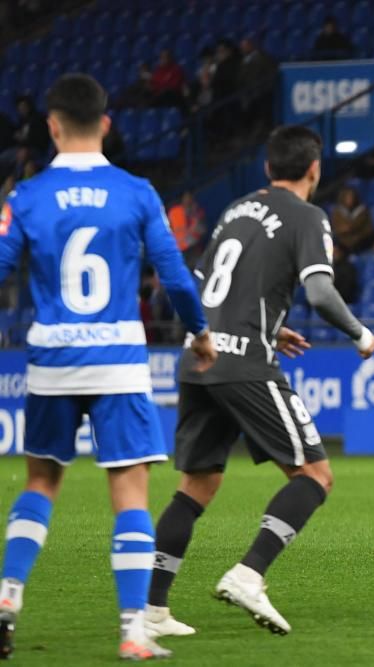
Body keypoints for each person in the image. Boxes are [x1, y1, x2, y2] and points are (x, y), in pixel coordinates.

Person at [0, 73, 216, 660]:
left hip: (51, 360)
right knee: (131, 493)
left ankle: (7, 596)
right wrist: (198, 334)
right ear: (106, 125)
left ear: (50, 126)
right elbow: (173, 276)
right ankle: (132, 630)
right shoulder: (138, 193)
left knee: (41, 482)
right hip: (119, 360)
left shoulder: (25, 197)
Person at [146, 126, 374, 638]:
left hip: (200, 357)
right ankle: (248, 574)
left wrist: (270, 322)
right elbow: (319, 291)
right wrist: (360, 334)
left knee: (197, 484)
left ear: (268, 169)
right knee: (315, 476)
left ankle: (154, 611)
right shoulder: (309, 216)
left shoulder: (235, 209)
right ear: (314, 170)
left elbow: (209, 285)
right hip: (245, 364)